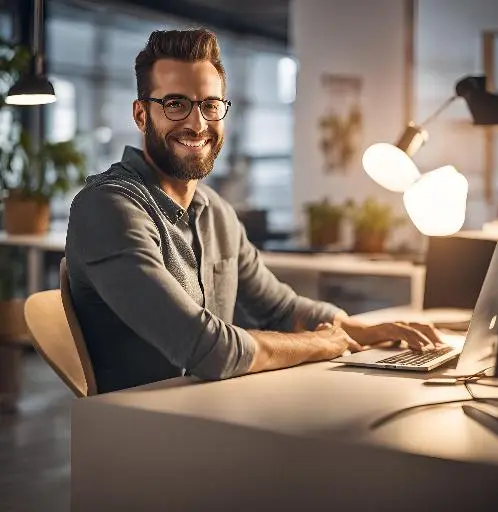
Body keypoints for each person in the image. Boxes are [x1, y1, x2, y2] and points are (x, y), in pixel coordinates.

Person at [65, 28, 442, 393]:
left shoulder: (217, 213)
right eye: (175, 104)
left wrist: (360, 330)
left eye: (210, 105)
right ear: (141, 115)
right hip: (135, 431)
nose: (197, 124)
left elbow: (280, 308)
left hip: (207, 411)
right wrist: (326, 344)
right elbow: (208, 349)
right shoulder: (108, 207)